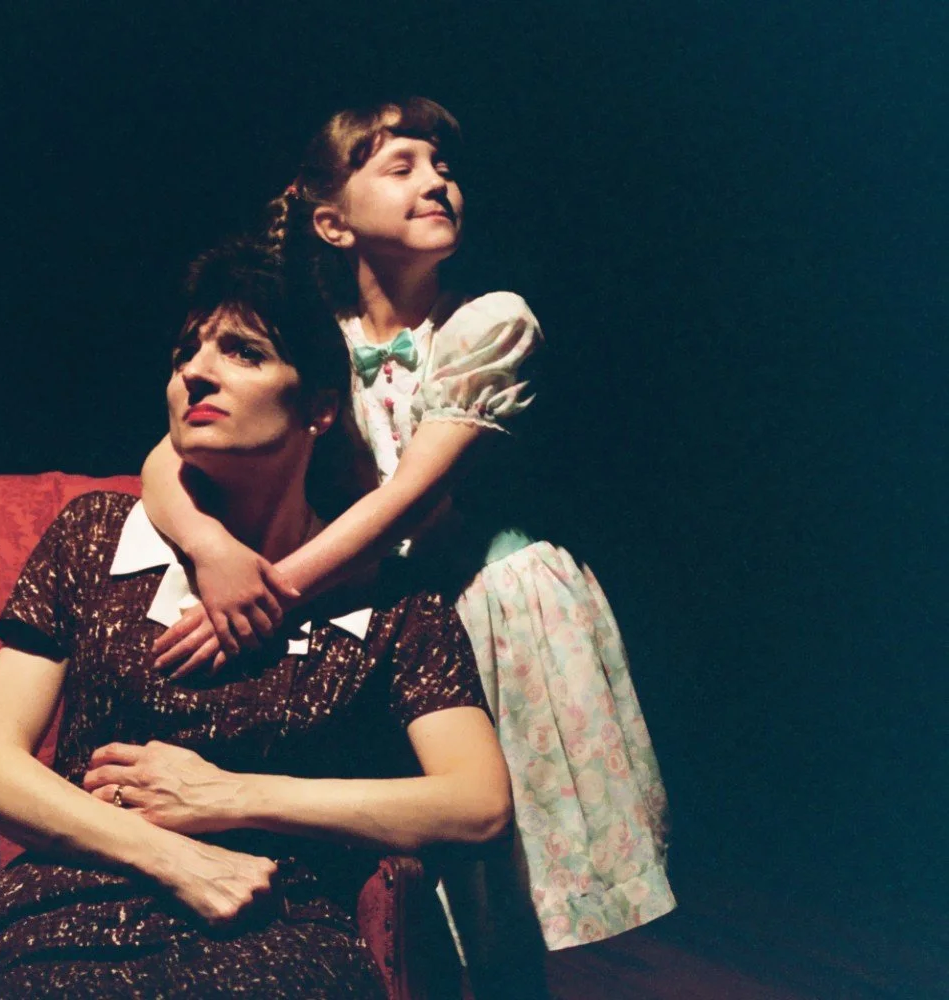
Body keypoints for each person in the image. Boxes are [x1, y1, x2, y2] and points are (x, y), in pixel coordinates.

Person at [140, 97, 675, 990]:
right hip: (379, 617)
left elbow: (408, 502)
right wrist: (212, 551)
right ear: (331, 219)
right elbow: (164, 455)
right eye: (403, 167)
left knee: (503, 905)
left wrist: (267, 597)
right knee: (398, 894)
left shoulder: (489, 322)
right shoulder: (315, 338)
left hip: (487, 608)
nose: (437, 181)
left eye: (446, 167)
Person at [0, 239, 512, 999]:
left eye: (242, 352)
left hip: (280, 919)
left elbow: (477, 806)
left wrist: (233, 796)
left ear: (318, 405)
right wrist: (176, 857)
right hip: (78, 901)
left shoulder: (395, 602)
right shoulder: (97, 537)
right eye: (186, 352)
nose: (195, 371)